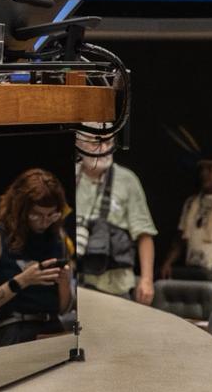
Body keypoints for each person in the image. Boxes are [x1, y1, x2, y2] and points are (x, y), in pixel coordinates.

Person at [0, 168, 74, 347]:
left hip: (53, 329)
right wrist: (22, 281)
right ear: (20, 210)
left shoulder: (58, 238)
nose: (44, 221)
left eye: (51, 215)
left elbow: (63, 308)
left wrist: (65, 282)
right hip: (14, 330)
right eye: (36, 215)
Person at [73, 130, 157, 304]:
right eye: (95, 142)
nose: (103, 148)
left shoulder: (127, 180)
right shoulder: (72, 175)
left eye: (108, 142)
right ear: (79, 144)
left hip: (114, 286)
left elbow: (144, 234)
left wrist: (146, 280)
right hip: (76, 284)